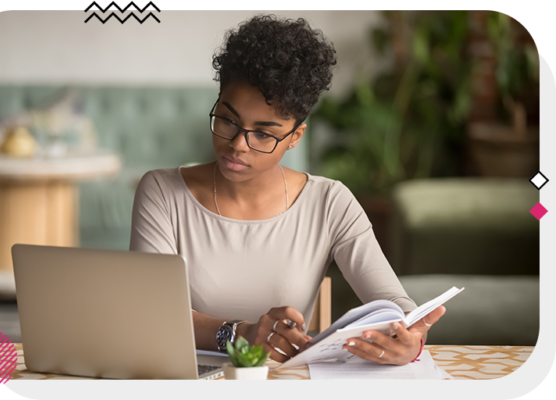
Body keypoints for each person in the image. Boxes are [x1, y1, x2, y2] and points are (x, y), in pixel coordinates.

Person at [129, 14, 445, 366]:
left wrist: (410, 340)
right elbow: (148, 311)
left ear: (295, 137)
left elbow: (394, 303)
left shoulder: (330, 203)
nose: (238, 144)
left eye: (263, 133)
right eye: (227, 119)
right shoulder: (161, 192)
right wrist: (239, 334)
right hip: (186, 382)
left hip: (284, 384)